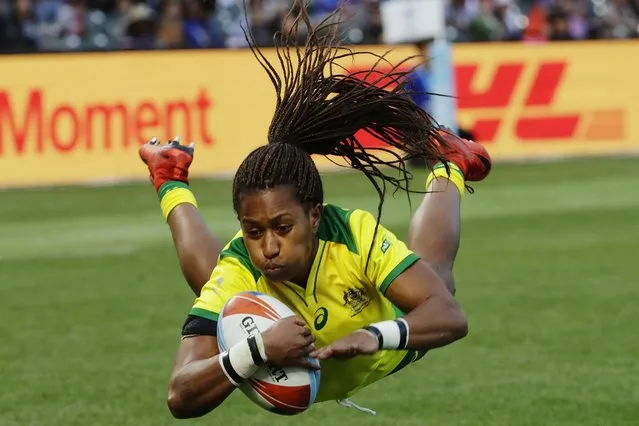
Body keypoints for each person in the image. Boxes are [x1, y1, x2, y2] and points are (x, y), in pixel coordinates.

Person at [138, 2, 491, 419]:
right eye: (253, 230)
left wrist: (374, 336)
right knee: (218, 280)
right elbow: (179, 396)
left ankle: (449, 162)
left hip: (384, 345)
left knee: (437, 280)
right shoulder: (241, 264)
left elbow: (450, 318)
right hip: (268, 327)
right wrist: (256, 351)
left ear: (315, 217)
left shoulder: (352, 233)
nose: (269, 245)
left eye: (283, 227)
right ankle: (170, 178)